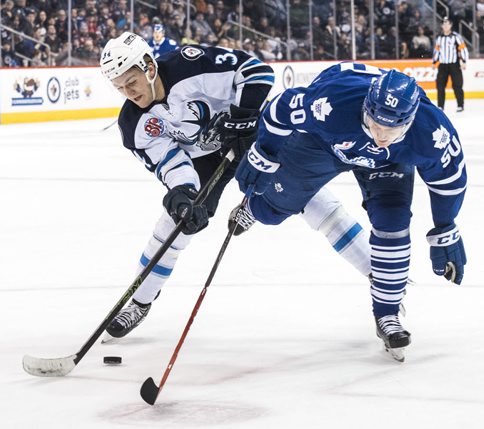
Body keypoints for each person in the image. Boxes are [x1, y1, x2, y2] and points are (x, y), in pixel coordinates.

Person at [99, 33, 372, 340]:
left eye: (130, 82)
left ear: (148, 67)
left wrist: (243, 117)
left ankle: (380, 280)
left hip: (254, 134)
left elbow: (257, 73)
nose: (127, 92)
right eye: (119, 87)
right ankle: (139, 301)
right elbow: (172, 164)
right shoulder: (133, 125)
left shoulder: (188, 65)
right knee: (175, 224)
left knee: (311, 200)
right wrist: (183, 194)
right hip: (204, 159)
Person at [234, 62, 467, 361]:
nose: (381, 136)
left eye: (393, 129)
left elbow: (448, 181)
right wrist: (263, 154)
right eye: (375, 124)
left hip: (387, 163)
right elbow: (280, 109)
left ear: (409, 122)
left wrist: (445, 227)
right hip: (323, 143)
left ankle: (387, 314)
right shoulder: (332, 104)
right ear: (366, 108)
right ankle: (262, 205)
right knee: (270, 212)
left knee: (393, 223)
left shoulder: (431, 131)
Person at [432, 16, 469, 112]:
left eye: (447, 23)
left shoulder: (456, 37)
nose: (445, 25)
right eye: (443, 23)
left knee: (457, 85)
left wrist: (464, 61)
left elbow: (463, 48)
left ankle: (460, 105)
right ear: (441, 25)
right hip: (443, 65)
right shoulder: (439, 38)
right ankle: (440, 106)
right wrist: (434, 62)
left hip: (454, 65)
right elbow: (437, 50)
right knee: (440, 86)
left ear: (451, 25)